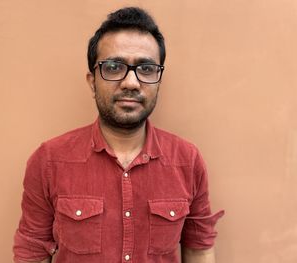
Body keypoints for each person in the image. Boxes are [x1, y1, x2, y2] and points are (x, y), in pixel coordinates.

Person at [13, 6, 224, 263]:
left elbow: (199, 248)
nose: (131, 82)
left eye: (146, 69)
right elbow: (32, 253)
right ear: (93, 82)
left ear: (158, 80)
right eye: (114, 66)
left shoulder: (187, 160)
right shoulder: (48, 161)